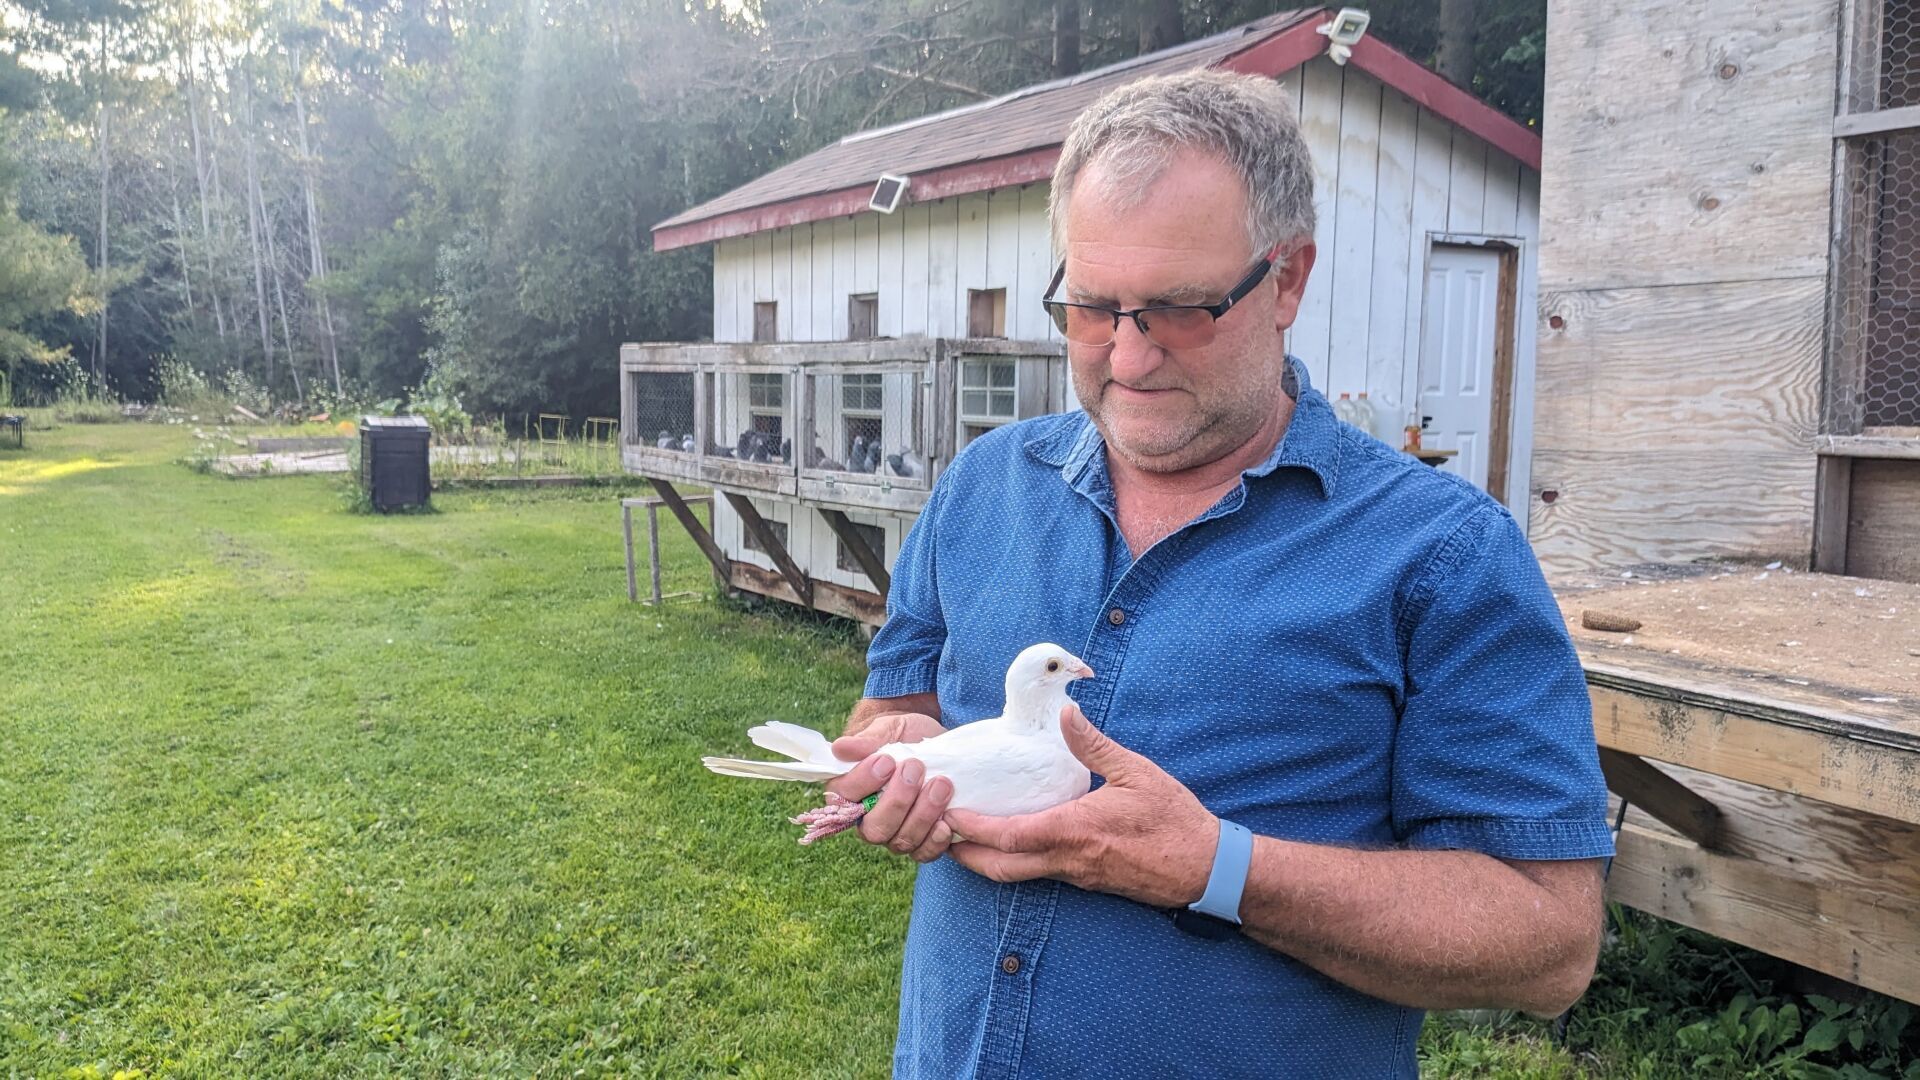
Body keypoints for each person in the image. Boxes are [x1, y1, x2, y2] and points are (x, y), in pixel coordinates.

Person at [826, 70, 1612, 1078]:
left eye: (1181, 310)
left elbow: (1548, 942)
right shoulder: (984, 488)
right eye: (1091, 307)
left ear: (1287, 281)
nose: (1128, 356)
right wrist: (890, 759)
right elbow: (891, 710)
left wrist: (1215, 869)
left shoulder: (1441, 555)